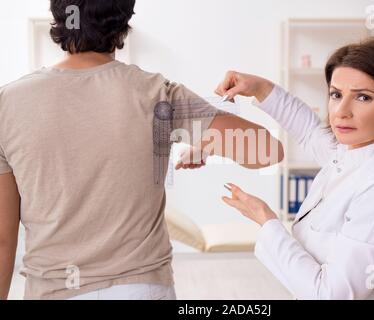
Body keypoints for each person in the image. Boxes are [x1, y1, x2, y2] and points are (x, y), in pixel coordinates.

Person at [0, 0, 283, 300]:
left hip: (54, 290)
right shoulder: (156, 93)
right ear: (123, 20)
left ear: (59, 16)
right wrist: (211, 140)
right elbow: (267, 151)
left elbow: (4, 238)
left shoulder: (9, 104)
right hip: (141, 288)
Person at [216, 38, 374, 299]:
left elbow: (329, 295)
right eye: (336, 94)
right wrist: (259, 88)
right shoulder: (352, 152)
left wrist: (267, 221)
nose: (341, 111)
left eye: (363, 97)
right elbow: (308, 129)